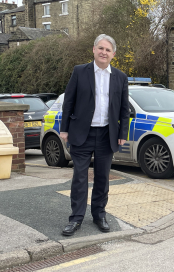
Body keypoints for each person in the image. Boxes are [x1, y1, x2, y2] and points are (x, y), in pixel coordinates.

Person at [60, 34, 129, 236]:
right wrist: (64, 129)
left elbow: (124, 109)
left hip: (107, 134)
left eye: (108, 50)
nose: (103, 52)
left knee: (102, 178)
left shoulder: (120, 77)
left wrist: (122, 133)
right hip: (82, 133)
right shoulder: (80, 71)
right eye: (101, 48)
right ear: (93, 49)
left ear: (113, 54)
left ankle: (99, 214)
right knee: (80, 178)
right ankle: (76, 218)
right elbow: (68, 102)